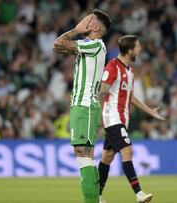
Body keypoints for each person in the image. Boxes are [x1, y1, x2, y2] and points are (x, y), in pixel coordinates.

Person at [97, 35, 165, 203]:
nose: (140, 49)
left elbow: (131, 97)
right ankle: (139, 193)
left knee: (107, 157)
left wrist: (150, 111)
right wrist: (95, 114)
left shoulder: (130, 71)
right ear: (129, 51)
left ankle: (96, 195)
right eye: (137, 47)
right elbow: (102, 91)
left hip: (122, 118)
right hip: (112, 117)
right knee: (127, 151)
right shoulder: (113, 66)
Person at [53, 10, 111, 203]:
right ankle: (96, 199)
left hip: (84, 104)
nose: (83, 21)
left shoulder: (95, 44)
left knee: (82, 153)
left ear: (94, 27)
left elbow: (59, 42)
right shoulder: (90, 45)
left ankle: (92, 200)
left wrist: (75, 30)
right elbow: (57, 48)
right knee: (86, 154)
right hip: (84, 105)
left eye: (88, 19)